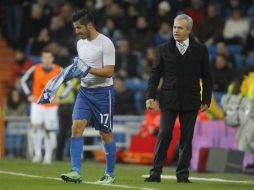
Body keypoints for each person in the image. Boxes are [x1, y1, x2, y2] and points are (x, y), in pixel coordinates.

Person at [144, 14, 213, 183]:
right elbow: (155, 75)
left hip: (191, 100)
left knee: (186, 137)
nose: (176, 30)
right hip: (168, 99)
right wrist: (150, 96)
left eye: (180, 28)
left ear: (189, 30)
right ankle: (155, 173)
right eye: (175, 27)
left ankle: (182, 175)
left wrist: (206, 100)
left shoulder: (200, 49)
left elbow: (207, 76)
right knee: (165, 133)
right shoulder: (163, 49)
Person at [58, 9, 116, 184]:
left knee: (105, 133)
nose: (77, 32)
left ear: (89, 25)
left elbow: (109, 72)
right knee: (76, 127)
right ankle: (75, 171)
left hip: (103, 93)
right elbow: (81, 67)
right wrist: (72, 72)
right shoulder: (80, 44)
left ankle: (110, 174)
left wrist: (87, 69)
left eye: (79, 28)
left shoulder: (106, 43)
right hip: (84, 92)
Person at [20, 49, 62, 164]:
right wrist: (29, 95)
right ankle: (37, 154)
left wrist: (60, 96)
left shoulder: (59, 70)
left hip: (51, 105)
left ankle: (48, 156)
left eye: (49, 57)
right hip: (37, 103)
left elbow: (69, 84)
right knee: (36, 127)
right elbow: (23, 81)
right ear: (41, 58)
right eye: (44, 57)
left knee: (49, 130)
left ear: (52, 59)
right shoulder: (35, 68)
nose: (46, 60)